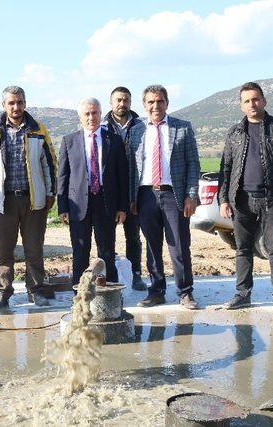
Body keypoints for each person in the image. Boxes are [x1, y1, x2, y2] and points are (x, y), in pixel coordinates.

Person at [218, 82, 273, 313]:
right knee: (243, 249)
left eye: (256, 99)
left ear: (264, 101)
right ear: (241, 105)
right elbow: (225, 167)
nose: (252, 104)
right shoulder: (235, 132)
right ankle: (243, 294)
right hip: (242, 200)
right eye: (247, 101)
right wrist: (223, 199)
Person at [0, 86, 58, 309]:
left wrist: (51, 193)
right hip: (4, 201)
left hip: (33, 200)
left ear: (25, 103)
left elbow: (50, 163)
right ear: (3, 105)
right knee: (4, 250)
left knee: (34, 248)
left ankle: (36, 290)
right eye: (11, 103)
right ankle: (3, 291)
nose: (16, 107)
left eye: (20, 102)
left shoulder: (38, 130)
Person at [128, 85, 200, 309]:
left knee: (178, 246)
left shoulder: (183, 128)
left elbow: (193, 164)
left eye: (159, 101)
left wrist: (191, 195)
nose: (155, 106)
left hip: (173, 195)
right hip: (145, 195)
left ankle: (185, 292)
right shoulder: (136, 131)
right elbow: (132, 167)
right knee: (151, 246)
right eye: (150, 102)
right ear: (144, 105)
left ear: (166, 103)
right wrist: (131, 197)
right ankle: (156, 290)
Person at [58, 98, 128, 286]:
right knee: (80, 251)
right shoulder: (69, 141)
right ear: (80, 117)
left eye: (95, 112)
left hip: (106, 203)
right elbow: (63, 176)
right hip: (78, 204)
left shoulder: (113, 140)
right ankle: (79, 294)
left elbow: (122, 176)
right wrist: (62, 207)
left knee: (106, 251)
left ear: (100, 113)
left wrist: (122, 207)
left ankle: (109, 291)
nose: (91, 117)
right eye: (87, 114)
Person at [103, 87, 146, 291]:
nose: (122, 103)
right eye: (118, 100)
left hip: (134, 188)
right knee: (106, 236)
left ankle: (136, 274)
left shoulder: (142, 126)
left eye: (126, 100)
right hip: (109, 190)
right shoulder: (102, 127)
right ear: (111, 103)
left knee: (134, 235)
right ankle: (108, 275)